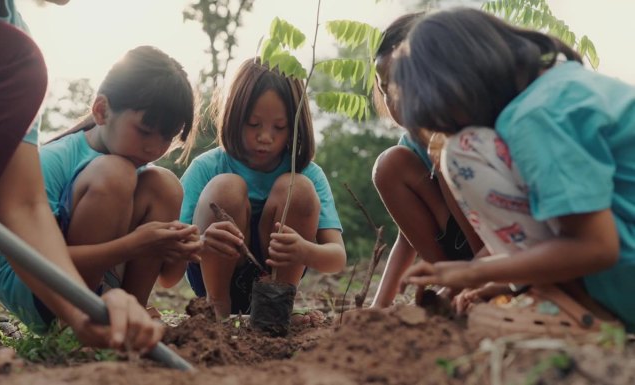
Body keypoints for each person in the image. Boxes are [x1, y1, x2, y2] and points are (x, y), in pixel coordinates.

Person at [0, 0, 164, 374]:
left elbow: (22, 206)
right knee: (13, 57)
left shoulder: (14, 42)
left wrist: (82, 311)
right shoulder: (11, 58)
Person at [394, 7, 635, 333]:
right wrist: (504, 279)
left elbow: (596, 246)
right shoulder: (562, 86)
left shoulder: (537, 116)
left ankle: (579, 308)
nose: (455, 125)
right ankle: (554, 290)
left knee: (463, 150)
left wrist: (473, 273)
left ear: (459, 83)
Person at [0, 45, 202, 334]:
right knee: (115, 173)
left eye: (167, 137)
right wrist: (134, 245)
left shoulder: (143, 175)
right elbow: (33, 261)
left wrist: (184, 247)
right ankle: (75, 324)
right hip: (37, 285)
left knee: (166, 184)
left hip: (97, 282)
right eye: (144, 130)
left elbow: (169, 278)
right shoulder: (54, 160)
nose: (154, 148)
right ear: (102, 110)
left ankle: (128, 317)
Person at [180, 58, 347, 320]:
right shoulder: (207, 167)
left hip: (275, 288)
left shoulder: (309, 175)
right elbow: (170, 249)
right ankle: (217, 312)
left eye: (279, 127)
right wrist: (201, 243)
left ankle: (275, 312)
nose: (265, 137)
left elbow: (337, 257)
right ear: (234, 117)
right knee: (226, 187)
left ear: (295, 127)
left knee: (298, 189)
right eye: (253, 124)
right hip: (213, 282)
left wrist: (304, 249)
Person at [370, 13, 483, 308]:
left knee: (442, 150)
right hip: (455, 247)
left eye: (402, 86)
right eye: (385, 89)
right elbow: (408, 237)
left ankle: (476, 280)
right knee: (389, 165)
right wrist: (378, 307)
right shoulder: (410, 146)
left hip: (496, 236)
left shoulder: (469, 126)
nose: (395, 100)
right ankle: (453, 282)